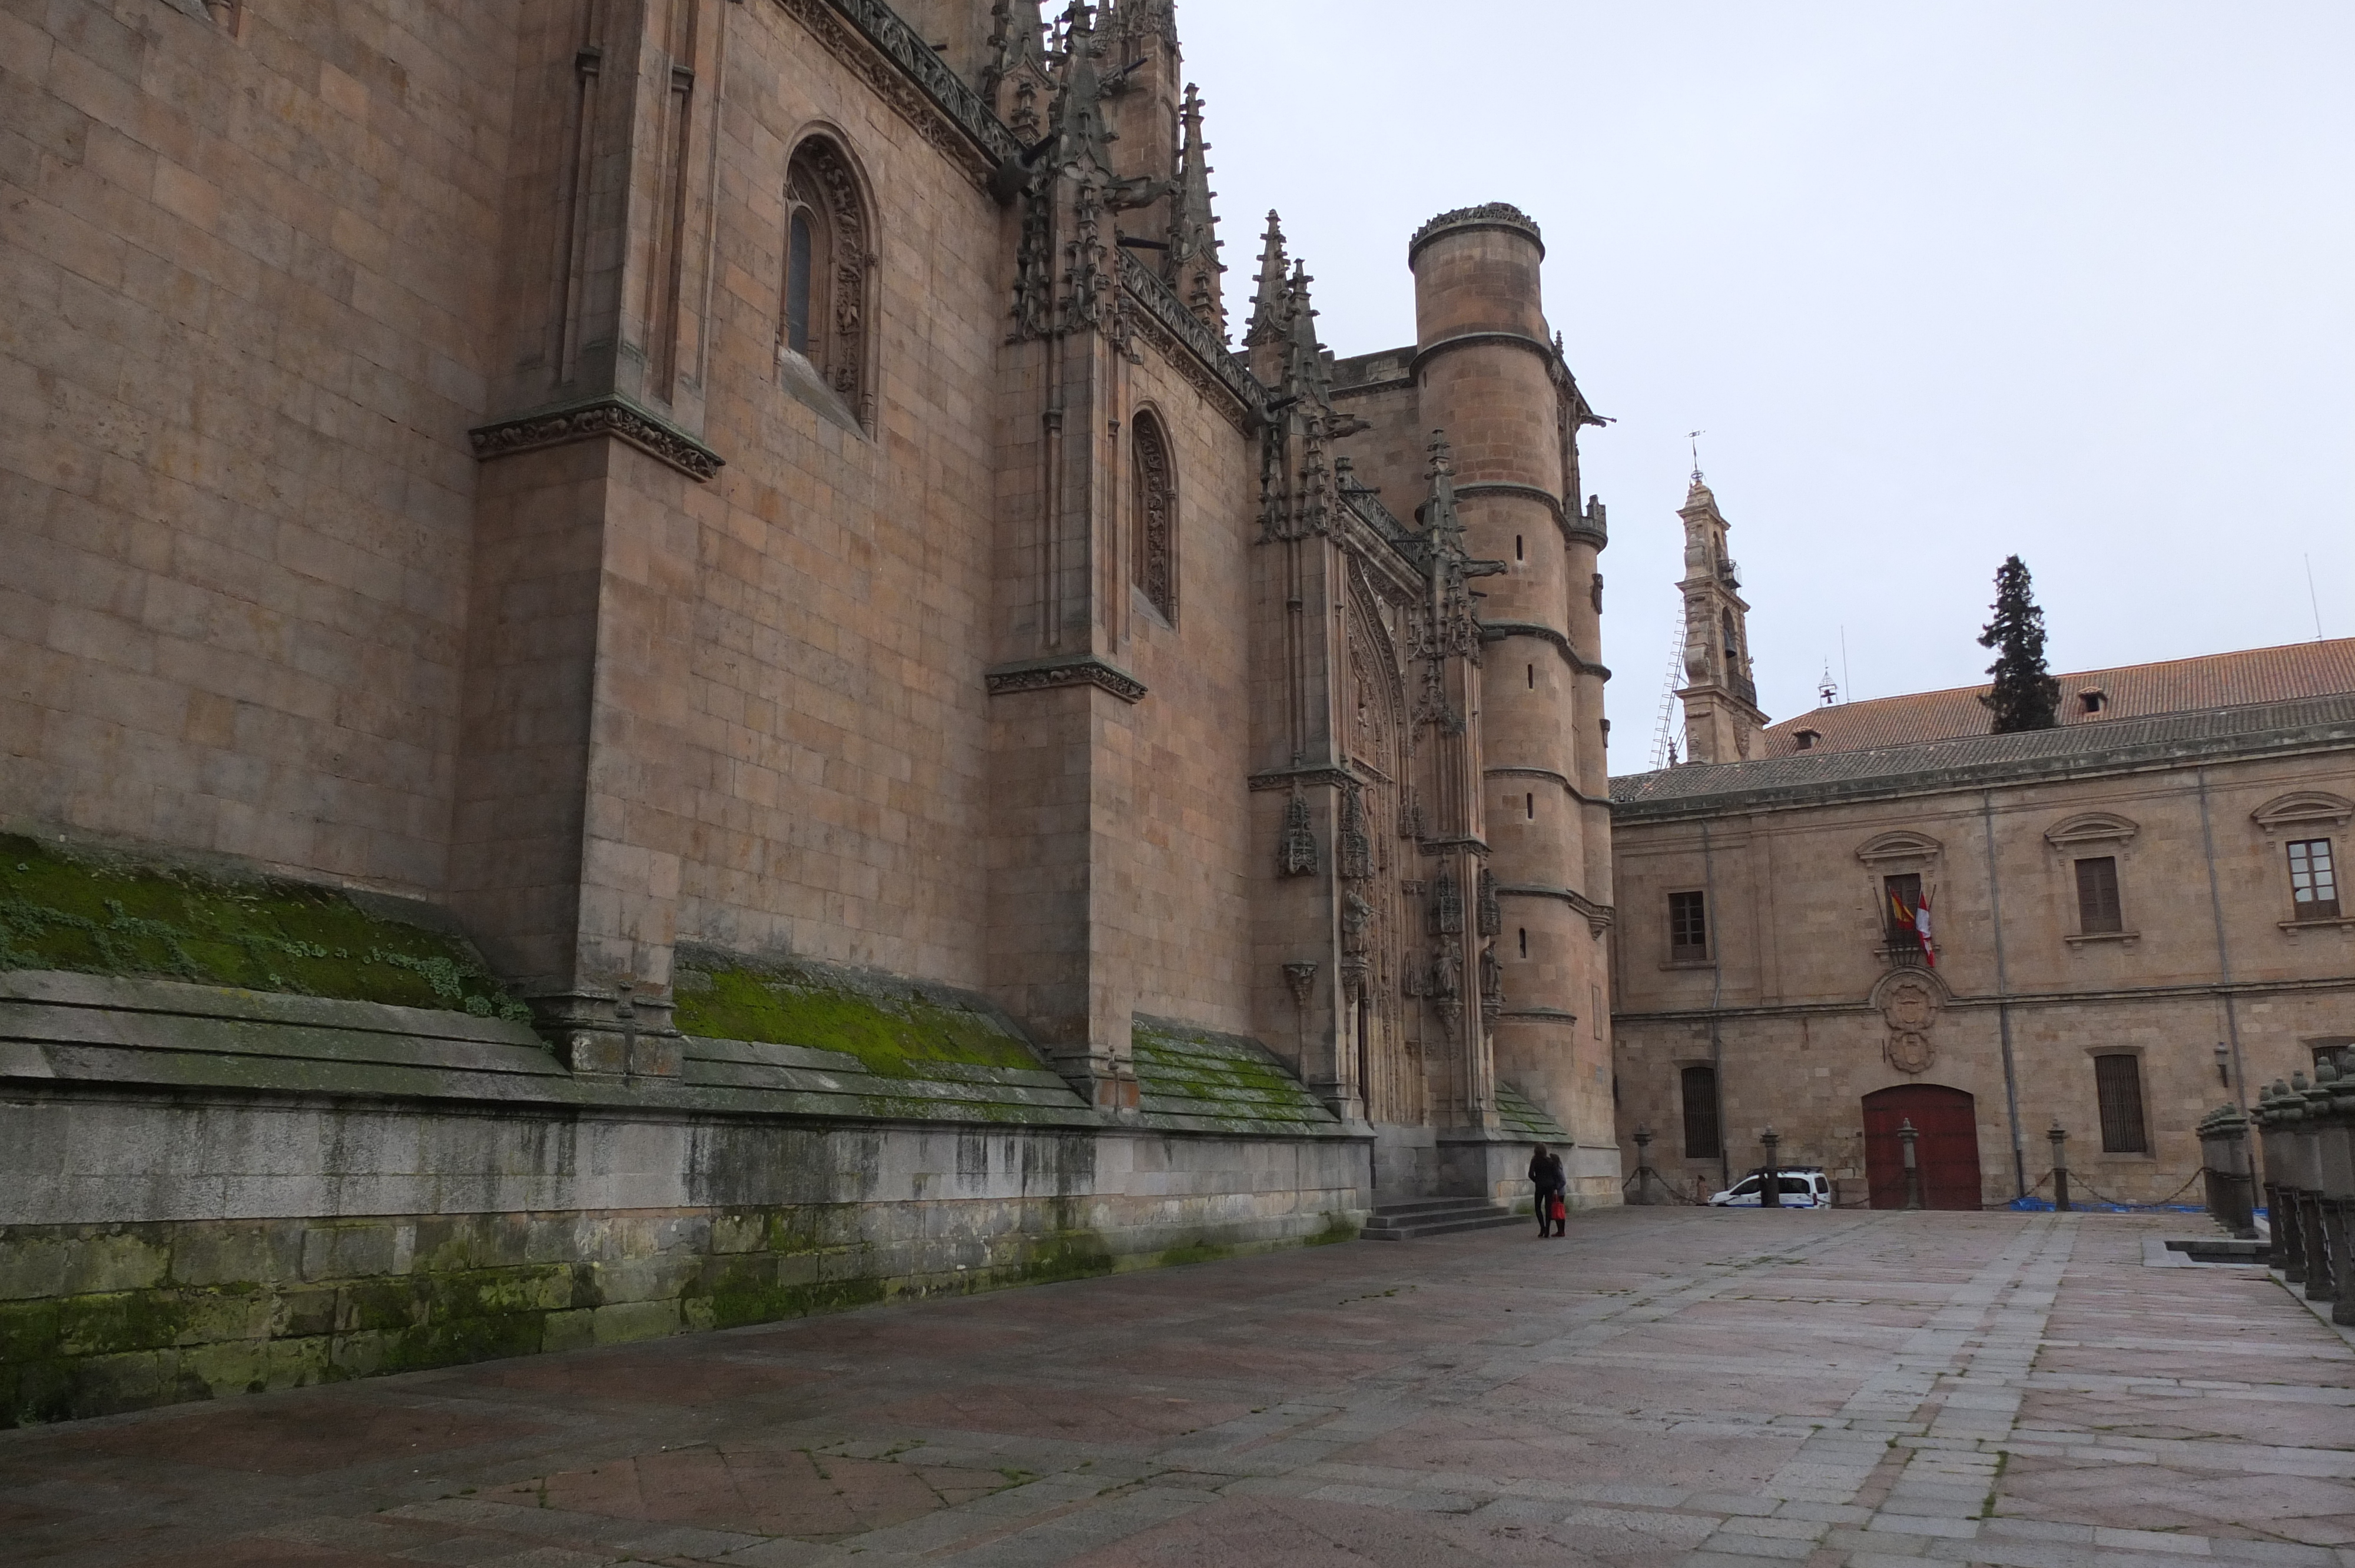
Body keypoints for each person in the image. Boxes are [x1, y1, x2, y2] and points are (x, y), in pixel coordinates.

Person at [1528, 1143, 1567, 1237]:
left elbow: (1531, 1174)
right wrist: (1554, 1185)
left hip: (1540, 1186)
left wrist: (1537, 1180)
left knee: (1538, 1207)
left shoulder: (1535, 1161)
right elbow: (1555, 1174)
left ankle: (1543, 1228)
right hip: (1550, 1186)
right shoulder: (1550, 1161)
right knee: (1548, 1208)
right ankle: (1548, 1230)